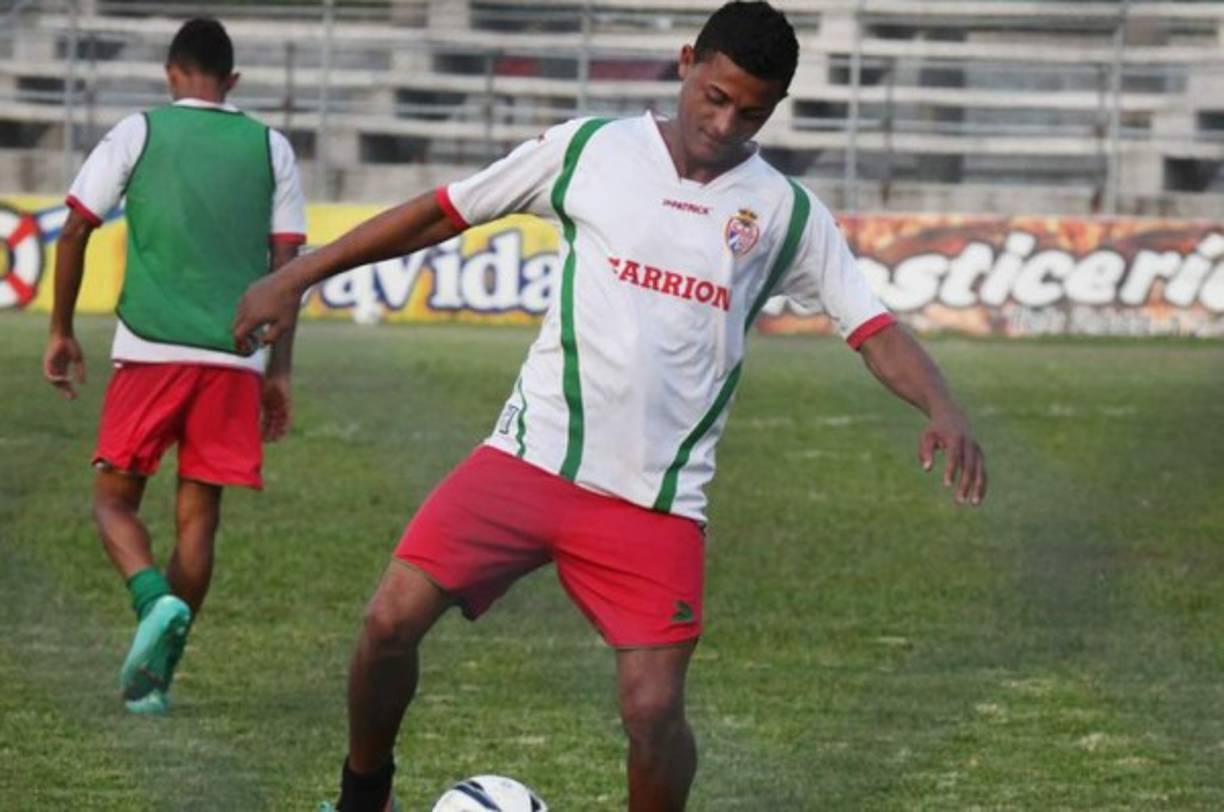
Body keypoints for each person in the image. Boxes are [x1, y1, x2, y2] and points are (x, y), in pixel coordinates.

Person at [234, 2, 986, 808]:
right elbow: (443, 210)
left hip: (653, 499)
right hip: (530, 459)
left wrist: (941, 405)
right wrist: (297, 273)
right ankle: (362, 794)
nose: (725, 123)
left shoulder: (785, 213)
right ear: (687, 60)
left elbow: (871, 327)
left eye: (751, 111)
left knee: (654, 709)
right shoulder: (590, 149)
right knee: (387, 623)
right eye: (716, 96)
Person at [43, 17, 307, 716]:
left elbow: (74, 226)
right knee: (199, 521)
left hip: (151, 347)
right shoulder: (270, 145)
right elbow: (289, 269)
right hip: (234, 356)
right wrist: (279, 369)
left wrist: (63, 329)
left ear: (169, 72)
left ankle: (152, 600)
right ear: (234, 82)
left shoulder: (140, 131)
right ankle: (156, 681)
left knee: (113, 502)